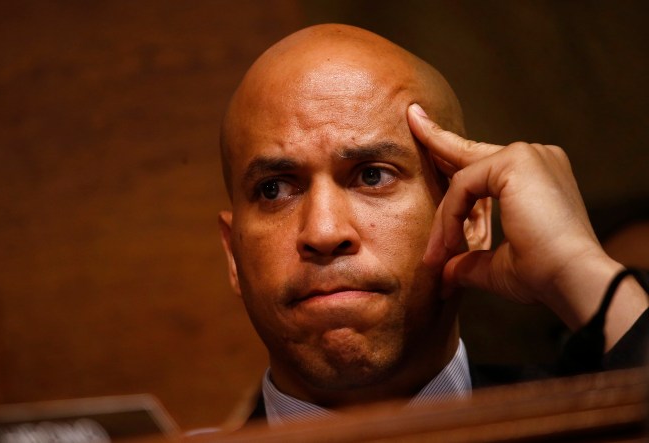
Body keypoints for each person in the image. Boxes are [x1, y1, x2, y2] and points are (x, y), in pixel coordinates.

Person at [216, 23, 649, 426]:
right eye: (274, 189)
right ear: (233, 253)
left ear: (473, 218)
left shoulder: (589, 427)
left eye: (372, 175)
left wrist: (579, 267)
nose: (324, 232)